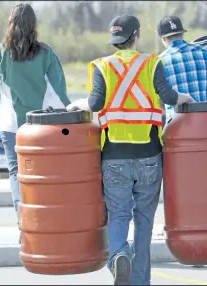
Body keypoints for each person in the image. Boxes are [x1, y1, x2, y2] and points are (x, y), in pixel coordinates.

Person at [66, 14, 194, 285]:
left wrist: (78, 104)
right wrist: (186, 99)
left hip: (114, 156)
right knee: (144, 221)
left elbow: (96, 103)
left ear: (115, 39)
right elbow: (169, 98)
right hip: (149, 154)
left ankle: (119, 256)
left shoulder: (102, 66)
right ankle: (139, 281)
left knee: (119, 215)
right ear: (136, 35)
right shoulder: (152, 63)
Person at [0, 3, 70, 238]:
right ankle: (45, 222)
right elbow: (58, 94)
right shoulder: (46, 53)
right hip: (41, 127)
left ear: (11, 23)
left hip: (11, 126)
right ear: (34, 26)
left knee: (16, 173)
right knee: (42, 174)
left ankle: (25, 225)